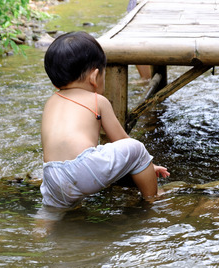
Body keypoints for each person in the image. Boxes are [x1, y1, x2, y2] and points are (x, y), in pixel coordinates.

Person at [40, 31, 169, 210]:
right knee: (137, 149)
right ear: (94, 77)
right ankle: (152, 199)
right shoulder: (97, 100)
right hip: (83, 169)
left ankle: (41, 229)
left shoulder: (50, 102)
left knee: (50, 212)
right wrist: (147, 164)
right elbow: (123, 140)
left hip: (52, 175)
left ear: (55, 82)